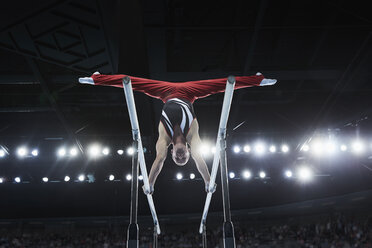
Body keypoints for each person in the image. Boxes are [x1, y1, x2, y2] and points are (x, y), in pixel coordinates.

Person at [79, 72, 276, 194]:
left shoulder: (163, 140)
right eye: (184, 158)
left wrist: (149, 184)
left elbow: (158, 161)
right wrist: (208, 181)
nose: (181, 156)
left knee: (130, 82)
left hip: (165, 93)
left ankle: (96, 78)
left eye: (177, 158)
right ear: (188, 152)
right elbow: (199, 159)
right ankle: (258, 79)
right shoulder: (193, 137)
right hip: (190, 93)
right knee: (223, 84)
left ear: (172, 152)